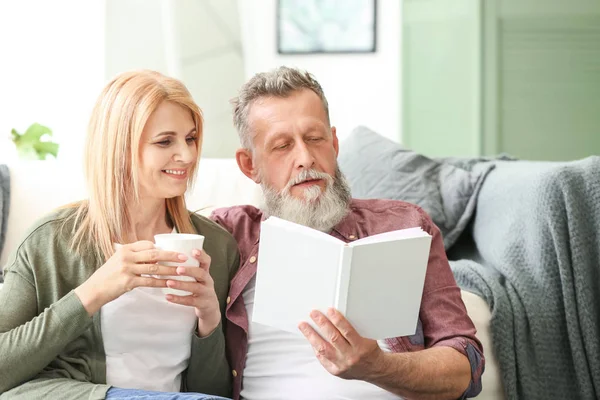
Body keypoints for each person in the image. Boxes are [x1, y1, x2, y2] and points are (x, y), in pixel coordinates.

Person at [211, 66, 485, 400]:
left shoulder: (404, 225)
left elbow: (466, 366)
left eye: (315, 138)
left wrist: (377, 367)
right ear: (249, 165)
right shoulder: (226, 235)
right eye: (282, 146)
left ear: (334, 143)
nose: (305, 158)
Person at [0, 70, 239, 400]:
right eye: (165, 141)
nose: (187, 155)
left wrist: (209, 319)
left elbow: (213, 391)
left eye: (191, 138)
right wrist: (93, 292)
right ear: (120, 149)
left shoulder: (216, 246)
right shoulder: (50, 241)